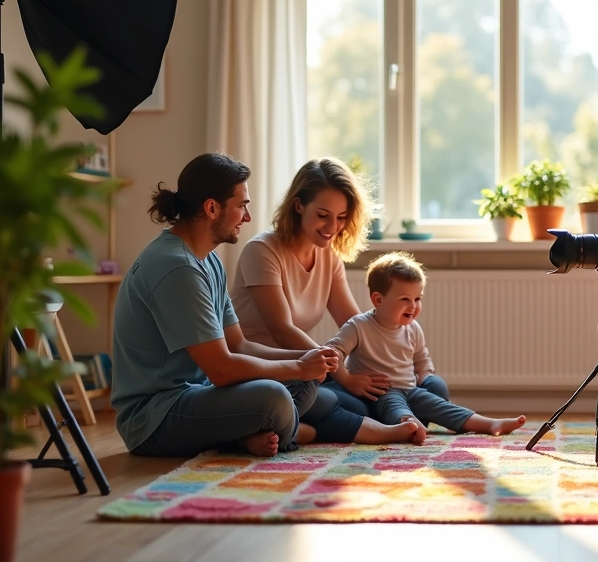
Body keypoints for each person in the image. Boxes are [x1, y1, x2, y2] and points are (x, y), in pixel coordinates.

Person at [111, 153, 420, 459]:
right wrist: (301, 367)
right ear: (212, 208)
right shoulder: (179, 268)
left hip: (198, 393)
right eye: (242, 206)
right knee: (275, 398)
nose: (247, 217)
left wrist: (309, 361)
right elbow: (221, 370)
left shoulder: (209, 262)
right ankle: (271, 432)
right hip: (155, 416)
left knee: (306, 384)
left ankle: (261, 433)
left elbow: (240, 345)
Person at [229, 157, 452, 418]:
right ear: (298, 206)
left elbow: (355, 322)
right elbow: (282, 330)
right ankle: (295, 427)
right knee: (343, 404)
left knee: (432, 389)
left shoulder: (329, 256)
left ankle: (376, 416)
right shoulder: (262, 250)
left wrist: (387, 368)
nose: (332, 227)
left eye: (342, 217)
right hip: (264, 369)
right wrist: (344, 376)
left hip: (307, 365)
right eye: (323, 216)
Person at [323, 252, 527, 443]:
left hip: (410, 388)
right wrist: (348, 379)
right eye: (405, 299)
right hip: (382, 392)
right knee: (396, 406)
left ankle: (489, 423)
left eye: (417, 299)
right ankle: (408, 426)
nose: (413, 306)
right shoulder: (359, 326)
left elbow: (421, 357)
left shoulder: (412, 328)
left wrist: (424, 376)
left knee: (440, 405)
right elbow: (332, 354)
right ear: (378, 299)